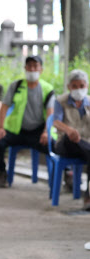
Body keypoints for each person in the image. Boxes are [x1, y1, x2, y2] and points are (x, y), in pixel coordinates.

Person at [0, 55, 55, 188]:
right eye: (29, 66)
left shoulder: (47, 89)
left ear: (41, 69)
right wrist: (0, 127)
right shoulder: (16, 86)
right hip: (16, 131)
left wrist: (46, 132)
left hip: (38, 132)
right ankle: (0, 174)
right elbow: (4, 107)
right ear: (25, 68)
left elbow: (50, 113)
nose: (32, 69)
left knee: (55, 145)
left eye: (35, 66)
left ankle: (65, 174)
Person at [52, 69, 90, 210]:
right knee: (71, 139)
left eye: (82, 86)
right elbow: (56, 121)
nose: (79, 89)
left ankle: (88, 196)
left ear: (86, 85)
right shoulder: (60, 101)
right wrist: (68, 130)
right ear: (69, 87)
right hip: (65, 144)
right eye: (75, 86)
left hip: (85, 145)